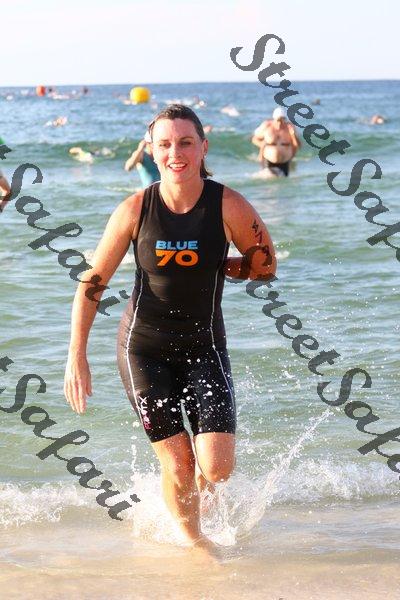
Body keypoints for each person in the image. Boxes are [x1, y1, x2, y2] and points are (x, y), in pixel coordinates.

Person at [64, 104, 277, 558]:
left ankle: (195, 496)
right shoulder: (135, 209)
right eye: (164, 144)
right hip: (143, 349)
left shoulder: (229, 205)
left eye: (185, 142)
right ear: (152, 150)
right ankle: (196, 543)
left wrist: (224, 266)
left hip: (205, 346)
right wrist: (76, 355)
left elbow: (265, 264)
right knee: (178, 463)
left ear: (203, 147)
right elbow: (92, 283)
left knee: (217, 469)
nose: (175, 153)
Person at [252, 107, 301, 177]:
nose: (280, 123)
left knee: (283, 182)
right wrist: (262, 144)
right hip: (269, 161)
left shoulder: (290, 128)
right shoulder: (267, 126)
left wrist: (293, 135)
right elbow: (254, 139)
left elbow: (297, 145)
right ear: (274, 119)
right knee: (270, 180)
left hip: (285, 162)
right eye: (278, 120)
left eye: (282, 120)